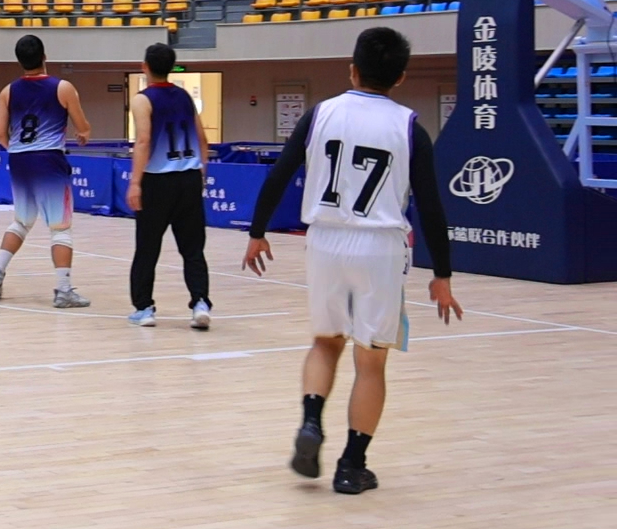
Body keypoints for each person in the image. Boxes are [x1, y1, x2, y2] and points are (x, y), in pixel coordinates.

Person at [243, 26, 460, 496]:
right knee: (371, 362)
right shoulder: (410, 127)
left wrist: (257, 232)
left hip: (325, 241)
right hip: (379, 246)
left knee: (325, 343)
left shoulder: (320, 114)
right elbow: (431, 206)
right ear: (400, 77)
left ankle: (311, 422)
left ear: (352, 69)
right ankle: (351, 465)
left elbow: (280, 174)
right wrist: (442, 274)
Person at [0, 34, 93, 308]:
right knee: (60, 228)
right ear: (44, 56)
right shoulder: (63, 88)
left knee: (21, 221)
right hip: (48, 159)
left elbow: (0, 134)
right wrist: (83, 133)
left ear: (19, 61)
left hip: (19, 159)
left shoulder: (7, 92)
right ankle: (63, 290)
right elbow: (83, 126)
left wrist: (21, 150)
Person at [126, 43, 213, 329]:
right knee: (193, 249)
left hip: (157, 180)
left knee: (147, 248)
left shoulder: (142, 100)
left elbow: (143, 141)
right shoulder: (185, 97)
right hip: (189, 177)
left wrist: (135, 182)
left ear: (145, 67)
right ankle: (200, 302)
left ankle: (144, 308)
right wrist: (201, 173)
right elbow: (202, 139)